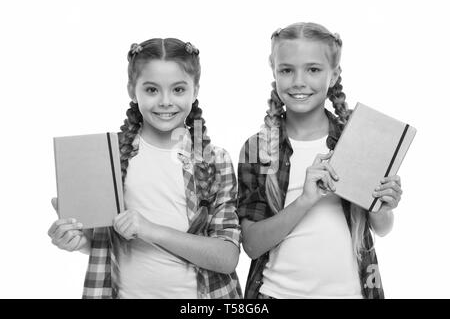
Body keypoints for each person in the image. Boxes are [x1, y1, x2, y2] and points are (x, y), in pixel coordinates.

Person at [48, 38, 242, 299]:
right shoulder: (108, 156)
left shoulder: (215, 160)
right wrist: (80, 241)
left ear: (195, 90)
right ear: (132, 89)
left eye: (178, 90)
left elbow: (227, 257)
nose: (165, 101)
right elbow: (105, 244)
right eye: (151, 90)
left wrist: (151, 230)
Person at [237, 22, 402, 299]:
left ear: (334, 74)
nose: (299, 81)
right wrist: (305, 199)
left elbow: (382, 228)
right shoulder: (258, 148)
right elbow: (252, 245)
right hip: (275, 294)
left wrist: (382, 205)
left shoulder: (358, 140)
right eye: (287, 70)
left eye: (313, 70)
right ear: (273, 70)